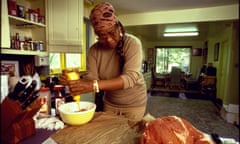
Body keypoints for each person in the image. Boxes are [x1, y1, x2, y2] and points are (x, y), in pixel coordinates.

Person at [60, 2, 147, 125]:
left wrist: (93, 85)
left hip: (134, 104)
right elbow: (92, 79)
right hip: (110, 103)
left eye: (112, 33)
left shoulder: (132, 43)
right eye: (102, 36)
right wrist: (76, 80)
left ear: (119, 28)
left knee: (130, 137)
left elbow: (130, 78)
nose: (109, 40)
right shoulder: (94, 51)